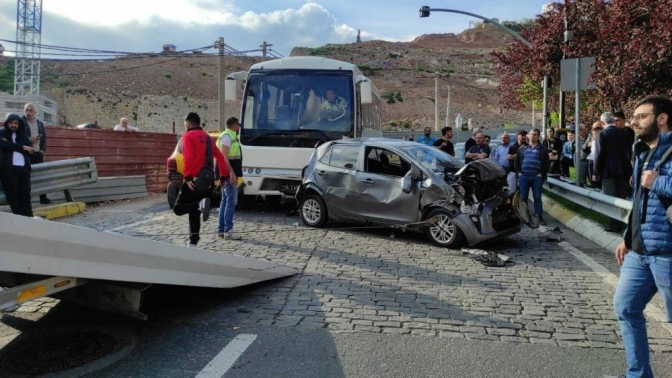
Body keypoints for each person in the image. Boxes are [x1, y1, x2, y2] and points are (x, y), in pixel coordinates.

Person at [612, 96, 672, 378]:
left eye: (642, 116)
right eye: (634, 117)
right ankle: (638, 375)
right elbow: (639, 200)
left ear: (662, 118)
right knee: (626, 307)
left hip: (668, 253)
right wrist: (627, 235)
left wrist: (657, 181)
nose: (634, 122)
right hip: (639, 250)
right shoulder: (642, 151)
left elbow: (654, 187)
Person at [173, 112, 228, 247]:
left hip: (193, 179)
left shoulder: (188, 136)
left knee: (178, 208)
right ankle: (193, 242)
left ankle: (200, 205)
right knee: (194, 213)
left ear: (188, 124)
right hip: (206, 180)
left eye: (185, 124)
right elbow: (220, 157)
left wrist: (187, 177)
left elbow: (188, 158)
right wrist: (223, 176)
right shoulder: (208, 138)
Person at [594, 111, 632, 233]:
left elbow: (599, 155)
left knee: (611, 199)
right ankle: (621, 224)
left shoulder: (602, 134)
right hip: (624, 170)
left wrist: (596, 171)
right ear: (613, 121)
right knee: (621, 198)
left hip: (608, 171)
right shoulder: (624, 133)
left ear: (602, 122)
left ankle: (612, 224)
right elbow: (629, 152)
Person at [0, 113, 35, 217]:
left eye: (16, 123)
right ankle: (19, 219)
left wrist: (12, 146)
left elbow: (30, 150)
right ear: (7, 123)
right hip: (8, 170)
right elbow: (2, 144)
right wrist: (22, 147)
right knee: (13, 196)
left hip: (24, 170)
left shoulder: (23, 136)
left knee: (25, 195)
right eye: (11, 123)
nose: (14, 125)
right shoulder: (2, 133)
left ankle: (29, 219)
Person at [514, 128, 550, 225]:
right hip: (524, 176)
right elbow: (516, 162)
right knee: (523, 197)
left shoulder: (543, 149)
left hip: (536, 177)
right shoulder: (522, 148)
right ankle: (524, 216)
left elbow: (546, 163)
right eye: (531, 134)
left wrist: (541, 174)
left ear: (538, 136)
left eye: (534, 134)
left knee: (537, 197)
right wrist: (519, 173)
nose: (532, 136)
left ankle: (539, 216)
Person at [217, 117, 243, 240]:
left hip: (226, 173)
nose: (239, 127)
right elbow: (224, 156)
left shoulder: (228, 135)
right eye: (238, 125)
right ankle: (228, 230)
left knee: (225, 201)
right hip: (227, 174)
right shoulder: (228, 136)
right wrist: (232, 173)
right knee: (231, 201)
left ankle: (221, 230)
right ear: (234, 125)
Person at [21, 103, 51, 204]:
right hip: (26, 153)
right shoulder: (20, 122)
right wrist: (29, 140)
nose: (28, 112)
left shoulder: (40, 123)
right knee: (25, 177)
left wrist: (42, 150)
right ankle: (26, 199)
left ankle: (43, 198)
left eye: (30, 110)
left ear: (35, 112)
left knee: (41, 176)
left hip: (37, 153)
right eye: (26, 110)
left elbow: (44, 138)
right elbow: (17, 137)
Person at [506, 129, 527, 195]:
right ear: (517, 136)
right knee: (511, 191)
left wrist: (515, 156)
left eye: (525, 135)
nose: (524, 137)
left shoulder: (528, 146)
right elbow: (509, 157)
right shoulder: (512, 146)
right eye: (522, 135)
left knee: (524, 192)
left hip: (524, 172)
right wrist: (519, 155)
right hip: (513, 171)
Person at [587, 122, 603, 189]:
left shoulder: (598, 142)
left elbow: (596, 156)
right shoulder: (593, 141)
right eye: (594, 133)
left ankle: (595, 184)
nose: (596, 134)